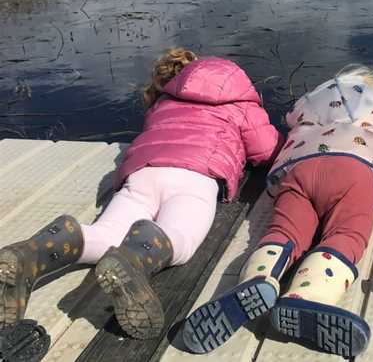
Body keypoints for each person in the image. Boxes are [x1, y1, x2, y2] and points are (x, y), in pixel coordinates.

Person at [0, 48, 282, 340]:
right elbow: (267, 150)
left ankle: (47, 247)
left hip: (143, 172)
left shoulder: (166, 100)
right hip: (196, 176)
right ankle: (136, 257)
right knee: (181, 239)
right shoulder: (241, 104)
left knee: (108, 234)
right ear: (239, 82)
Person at [182, 65, 373, 358]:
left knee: (284, 231)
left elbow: (292, 125)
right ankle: (307, 295)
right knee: (345, 234)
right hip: (353, 168)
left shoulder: (312, 103)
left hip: (300, 167)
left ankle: (258, 279)